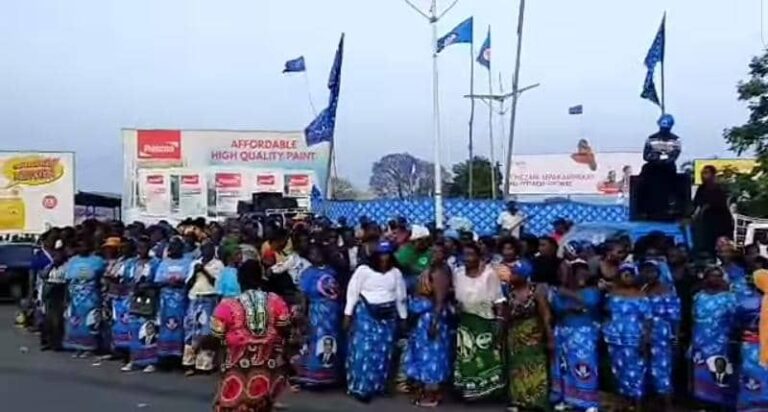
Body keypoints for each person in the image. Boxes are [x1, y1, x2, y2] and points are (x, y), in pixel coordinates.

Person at [210, 257, 291, 412]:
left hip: (237, 364)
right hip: (269, 365)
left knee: (232, 403)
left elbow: (216, 336)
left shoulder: (227, 306)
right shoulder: (275, 301)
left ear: (239, 280)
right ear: (260, 278)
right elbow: (285, 328)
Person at [344, 240, 407, 403]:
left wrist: (403, 318)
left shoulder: (395, 273)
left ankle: (378, 386)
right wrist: (347, 315)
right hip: (366, 313)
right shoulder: (363, 271)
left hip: (388, 316)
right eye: (381, 254)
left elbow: (401, 297)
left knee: (384, 351)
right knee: (364, 351)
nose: (384, 257)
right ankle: (361, 388)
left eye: (387, 254)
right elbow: (352, 293)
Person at [498, 241, 553, 412]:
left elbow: (545, 314)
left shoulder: (536, 291)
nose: (511, 275)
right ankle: (518, 400)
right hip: (515, 334)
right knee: (516, 366)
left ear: (524, 274)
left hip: (533, 333)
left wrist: (549, 336)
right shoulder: (509, 291)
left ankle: (536, 400)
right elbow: (506, 314)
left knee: (535, 365)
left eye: (514, 273)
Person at [453, 243, 505, 401]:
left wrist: (500, 321)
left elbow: (499, 300)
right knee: (467, 355)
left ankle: (488, 390)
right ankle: (470, 389)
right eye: (465, 255)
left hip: (484, 320)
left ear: (479, 257)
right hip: (465, 321)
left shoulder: (489, 274)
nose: (467, 259)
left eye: (471, 255)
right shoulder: (458, 273)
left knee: (485, 354)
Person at [549, 260, 601, 412]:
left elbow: (590, 304)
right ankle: (568, 399)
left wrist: (570, 296)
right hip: (564, 332)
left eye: (583, 271)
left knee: (585, 366)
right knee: (564, 366)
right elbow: (559, 309)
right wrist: (575, 305)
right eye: (576, 272)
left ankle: (588, 402)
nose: (581, 275)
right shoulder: (560, 291)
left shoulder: (592, 291)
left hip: (584, 334)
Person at [292, 244, 343, 387]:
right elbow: (303, 295)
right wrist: (302, 312)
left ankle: (330, 373)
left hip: (332, 312)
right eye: (313, 254)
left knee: (331, 341)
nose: (316, 256)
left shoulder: (332, 271)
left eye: (318, 253)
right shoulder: (308, 273)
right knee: (316, 340)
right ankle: (314, 374)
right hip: (316, 312)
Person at [403, 263, 453, 407]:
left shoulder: (440, 272)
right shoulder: (433, 269)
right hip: (422, 324)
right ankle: (428, 392)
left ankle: (433, 395)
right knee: (423, 358)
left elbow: (439, 301)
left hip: (431, 323)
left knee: (433, 359)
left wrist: (434, 323)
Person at [603, 263, 651, 411]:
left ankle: (637, 403)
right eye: (624, 274)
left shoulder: (641, 295)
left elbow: (647, 320)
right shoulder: (612, 294)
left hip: (634, 337)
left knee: (636, 369)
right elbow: (607, 313)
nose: (627, 277)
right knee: (618, 368)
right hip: (615, 338)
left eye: (630, 274)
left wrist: (645, 339)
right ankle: (624, 402)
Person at [691, 266, 737, 408]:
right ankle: (702, 404)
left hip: (720, 343)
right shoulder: (698, 296)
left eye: (718, 276)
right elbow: (693, 318)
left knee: (719, 374)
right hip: (700, 342)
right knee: (700, 373)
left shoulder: (729, 297)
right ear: (705, 278)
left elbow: (734, 320)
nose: (715, 279)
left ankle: (719, 404)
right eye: (711, 275)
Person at [642, 260, 681, 411]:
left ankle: (667, 404)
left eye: (652, 271)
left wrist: (675, 336)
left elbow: (676, 316)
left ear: (658, 272)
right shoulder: (644, 288)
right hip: (645, 331)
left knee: (663, 366)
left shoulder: (667, 290)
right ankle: (651, 402)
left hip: (662, 332)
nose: (648, 274)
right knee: (646, 365)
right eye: (645, 271)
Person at [183, 240, 223, 376]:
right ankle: (189, 363)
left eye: (209, 248)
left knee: (206, 332)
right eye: (204, 248)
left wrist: (204, 271)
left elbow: (216, 283)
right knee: (191, 330)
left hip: (209, 298)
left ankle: (204, 364)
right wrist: (195, 273)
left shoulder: (218, 264)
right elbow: (188, 283)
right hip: (195, 298)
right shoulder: (195, 263)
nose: (207, 251)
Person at [63, 238, 106, 358]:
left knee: (90, 321)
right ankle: (77, 347)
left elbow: (101, 279)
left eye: (85, 246)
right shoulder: (72, 261)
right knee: (75, 322)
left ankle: (89, 348)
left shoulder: (98, 261)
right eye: (80, 246)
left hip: (90, 296)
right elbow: (68, 280)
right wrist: (67, 297)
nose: (83, 248)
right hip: (75, 296)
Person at [736, 262, 768, 411]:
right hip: (753, 345)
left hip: (751, 346)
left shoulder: (744, 302)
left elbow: (737, 323)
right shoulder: (746, 302)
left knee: (752, 378)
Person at [154, 237, 193, 361]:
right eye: (172, 246)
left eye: (177, 246)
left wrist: (180, 282)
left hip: (181, 300)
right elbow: (157, 281)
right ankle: (165, 354)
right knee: (165, 327)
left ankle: (179, 355)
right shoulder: (164, 263)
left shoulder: (188, 262)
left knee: (181, 326)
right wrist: (168, 281)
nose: (174, 249)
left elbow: (190, 280)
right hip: (166, 301)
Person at [693, 165, 734, 257]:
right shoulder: (701, 189)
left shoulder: (719, 188)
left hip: (721, 223)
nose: (704, 176)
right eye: (702, 173)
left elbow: (720, 204)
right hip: (706, 223)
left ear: (713, 175)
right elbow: (696, 204)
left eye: (706, 173)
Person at [40, 244, 68, 351]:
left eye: (59, 255)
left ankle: (57, 343)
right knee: (47, 319)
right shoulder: (49, 266)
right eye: (55, 255)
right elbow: (43, 275)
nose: (57, 257)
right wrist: (51, 266)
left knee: (57, 320)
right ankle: (46, 341)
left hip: (59, 290)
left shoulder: (66, 267)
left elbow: (67, 281)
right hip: (49, 291)